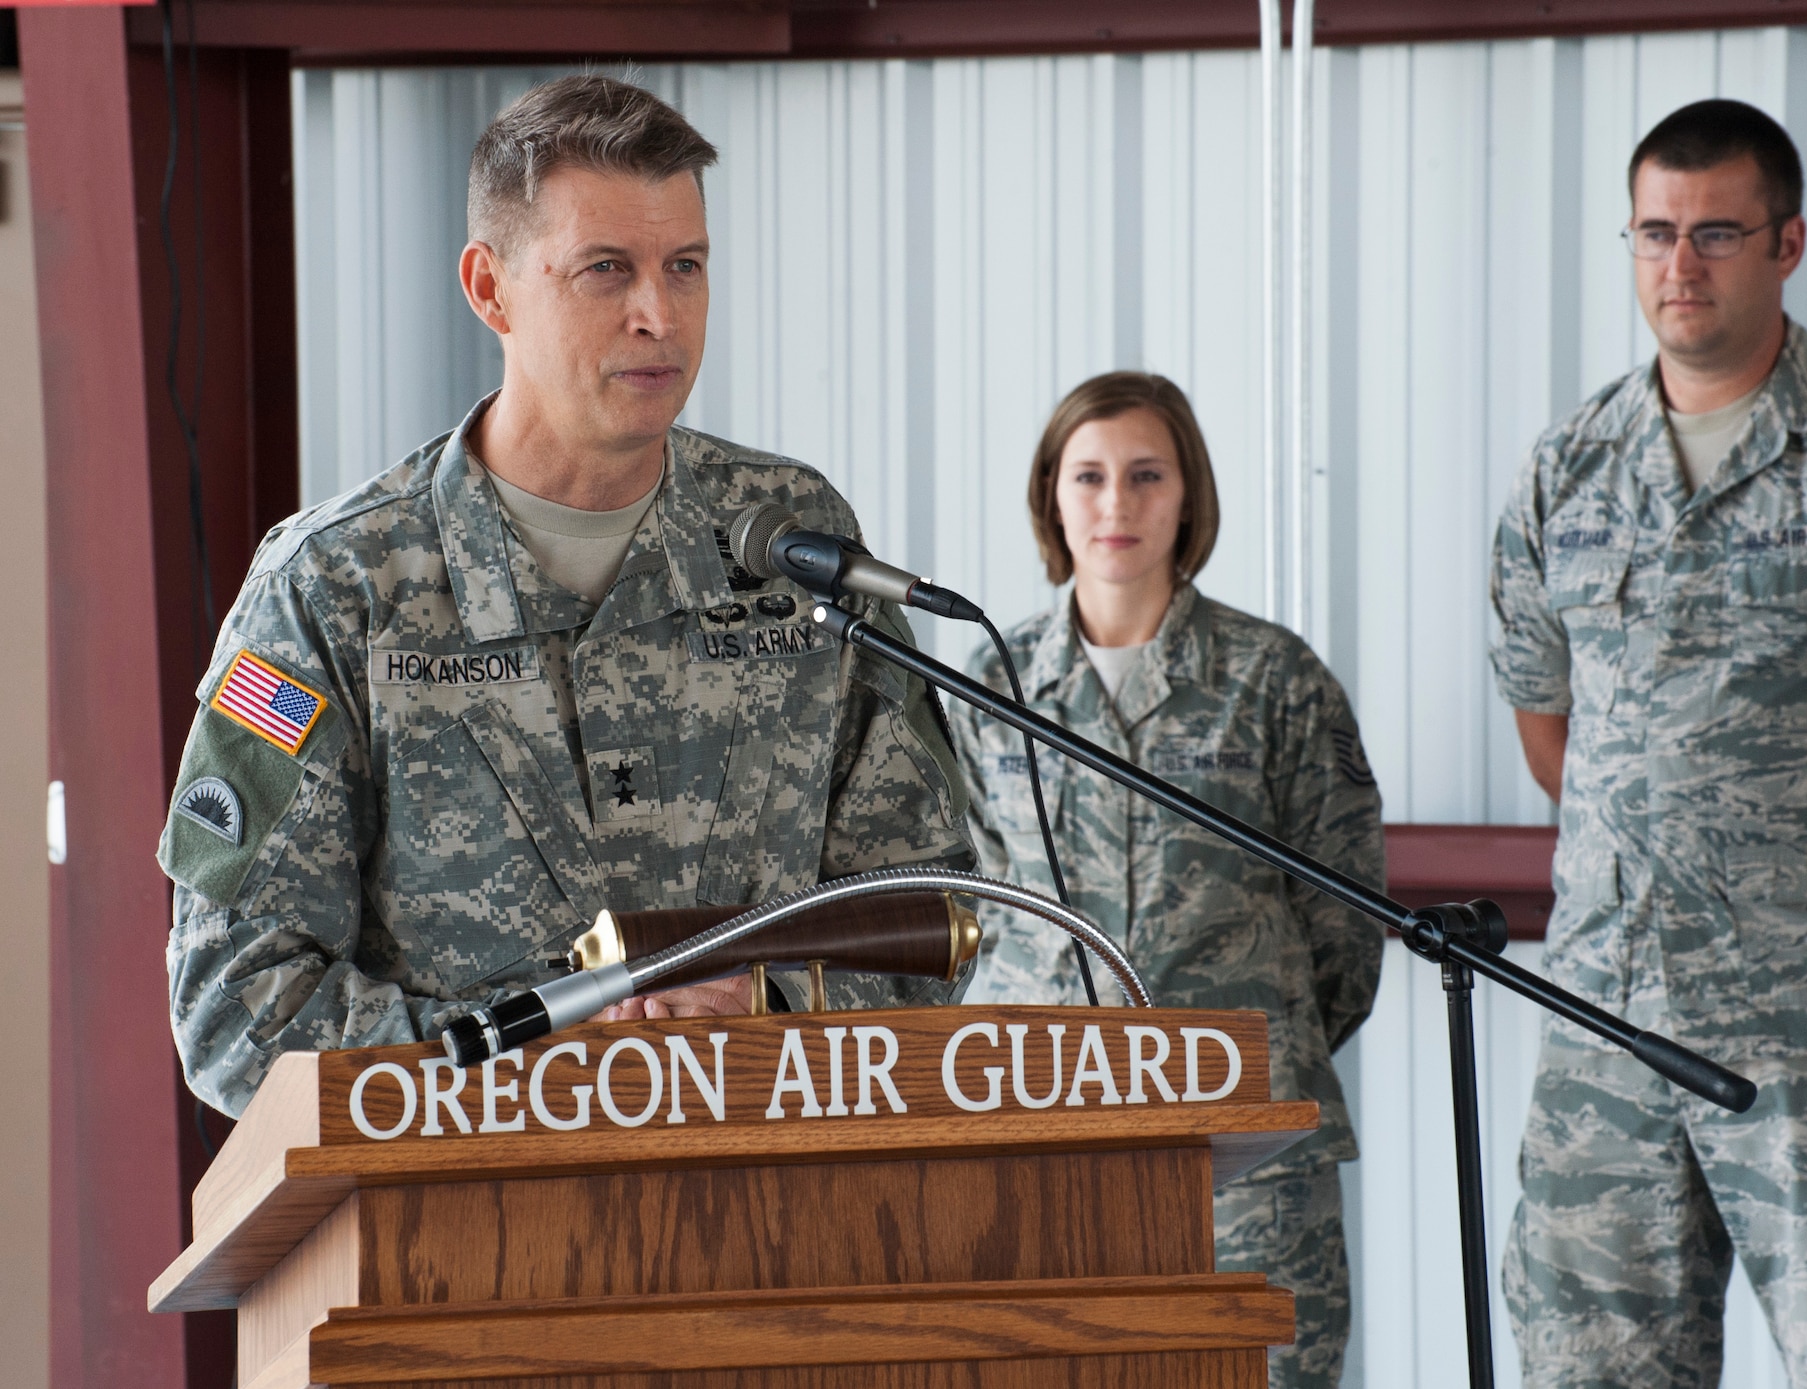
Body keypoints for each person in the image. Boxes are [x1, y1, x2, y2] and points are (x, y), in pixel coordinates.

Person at [159, 76, 976, 1118]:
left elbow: (933, 913)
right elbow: (235, 1006)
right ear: (489, 288)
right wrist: (539, 1063)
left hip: (777, 1223)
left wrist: (769, 1005)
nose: (659, 313)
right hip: (465, 1244)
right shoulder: (338, 585)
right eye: (607, 270)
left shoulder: (782, 538)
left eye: (685, 267)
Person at [1492, 98, 1807, 1387]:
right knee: (1591, 1370)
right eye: (1654, 233)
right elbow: (1555, 737)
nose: (1679, 266)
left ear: (1787, 244)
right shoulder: (1566, 469)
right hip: (1605, 1020)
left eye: (1715, 233)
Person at [953, 371, 1385, 1387]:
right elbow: (967, 904)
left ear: (1187, 493)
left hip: (1243, 1132)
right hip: (1041, 1123)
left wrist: (1249, 1039)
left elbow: (1343, 919)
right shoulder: (990, 684)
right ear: (1049, 496)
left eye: (1145, 475)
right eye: (1088, 476)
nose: (1115, 505)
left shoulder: (1272, 678)